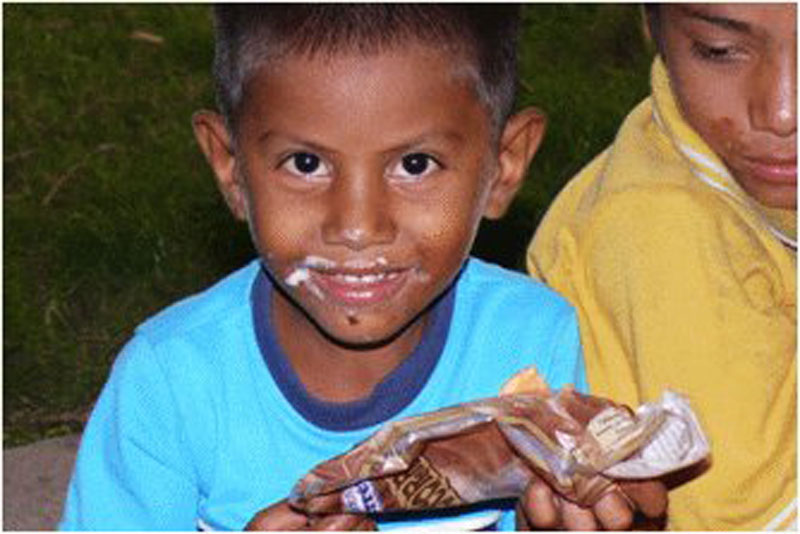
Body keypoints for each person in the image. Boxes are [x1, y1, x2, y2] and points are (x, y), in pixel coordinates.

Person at [60, 5, 665, 531]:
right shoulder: (171, 382)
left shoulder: (529, 342)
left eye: (417, 165)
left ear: (503, 167)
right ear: (232, 168)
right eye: (304, 163)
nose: (357, 225)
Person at [528, 3, 796, 530]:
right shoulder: (660, 222)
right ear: (653, 26)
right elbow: (749, 518)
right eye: (719, 51)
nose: (782, 111)